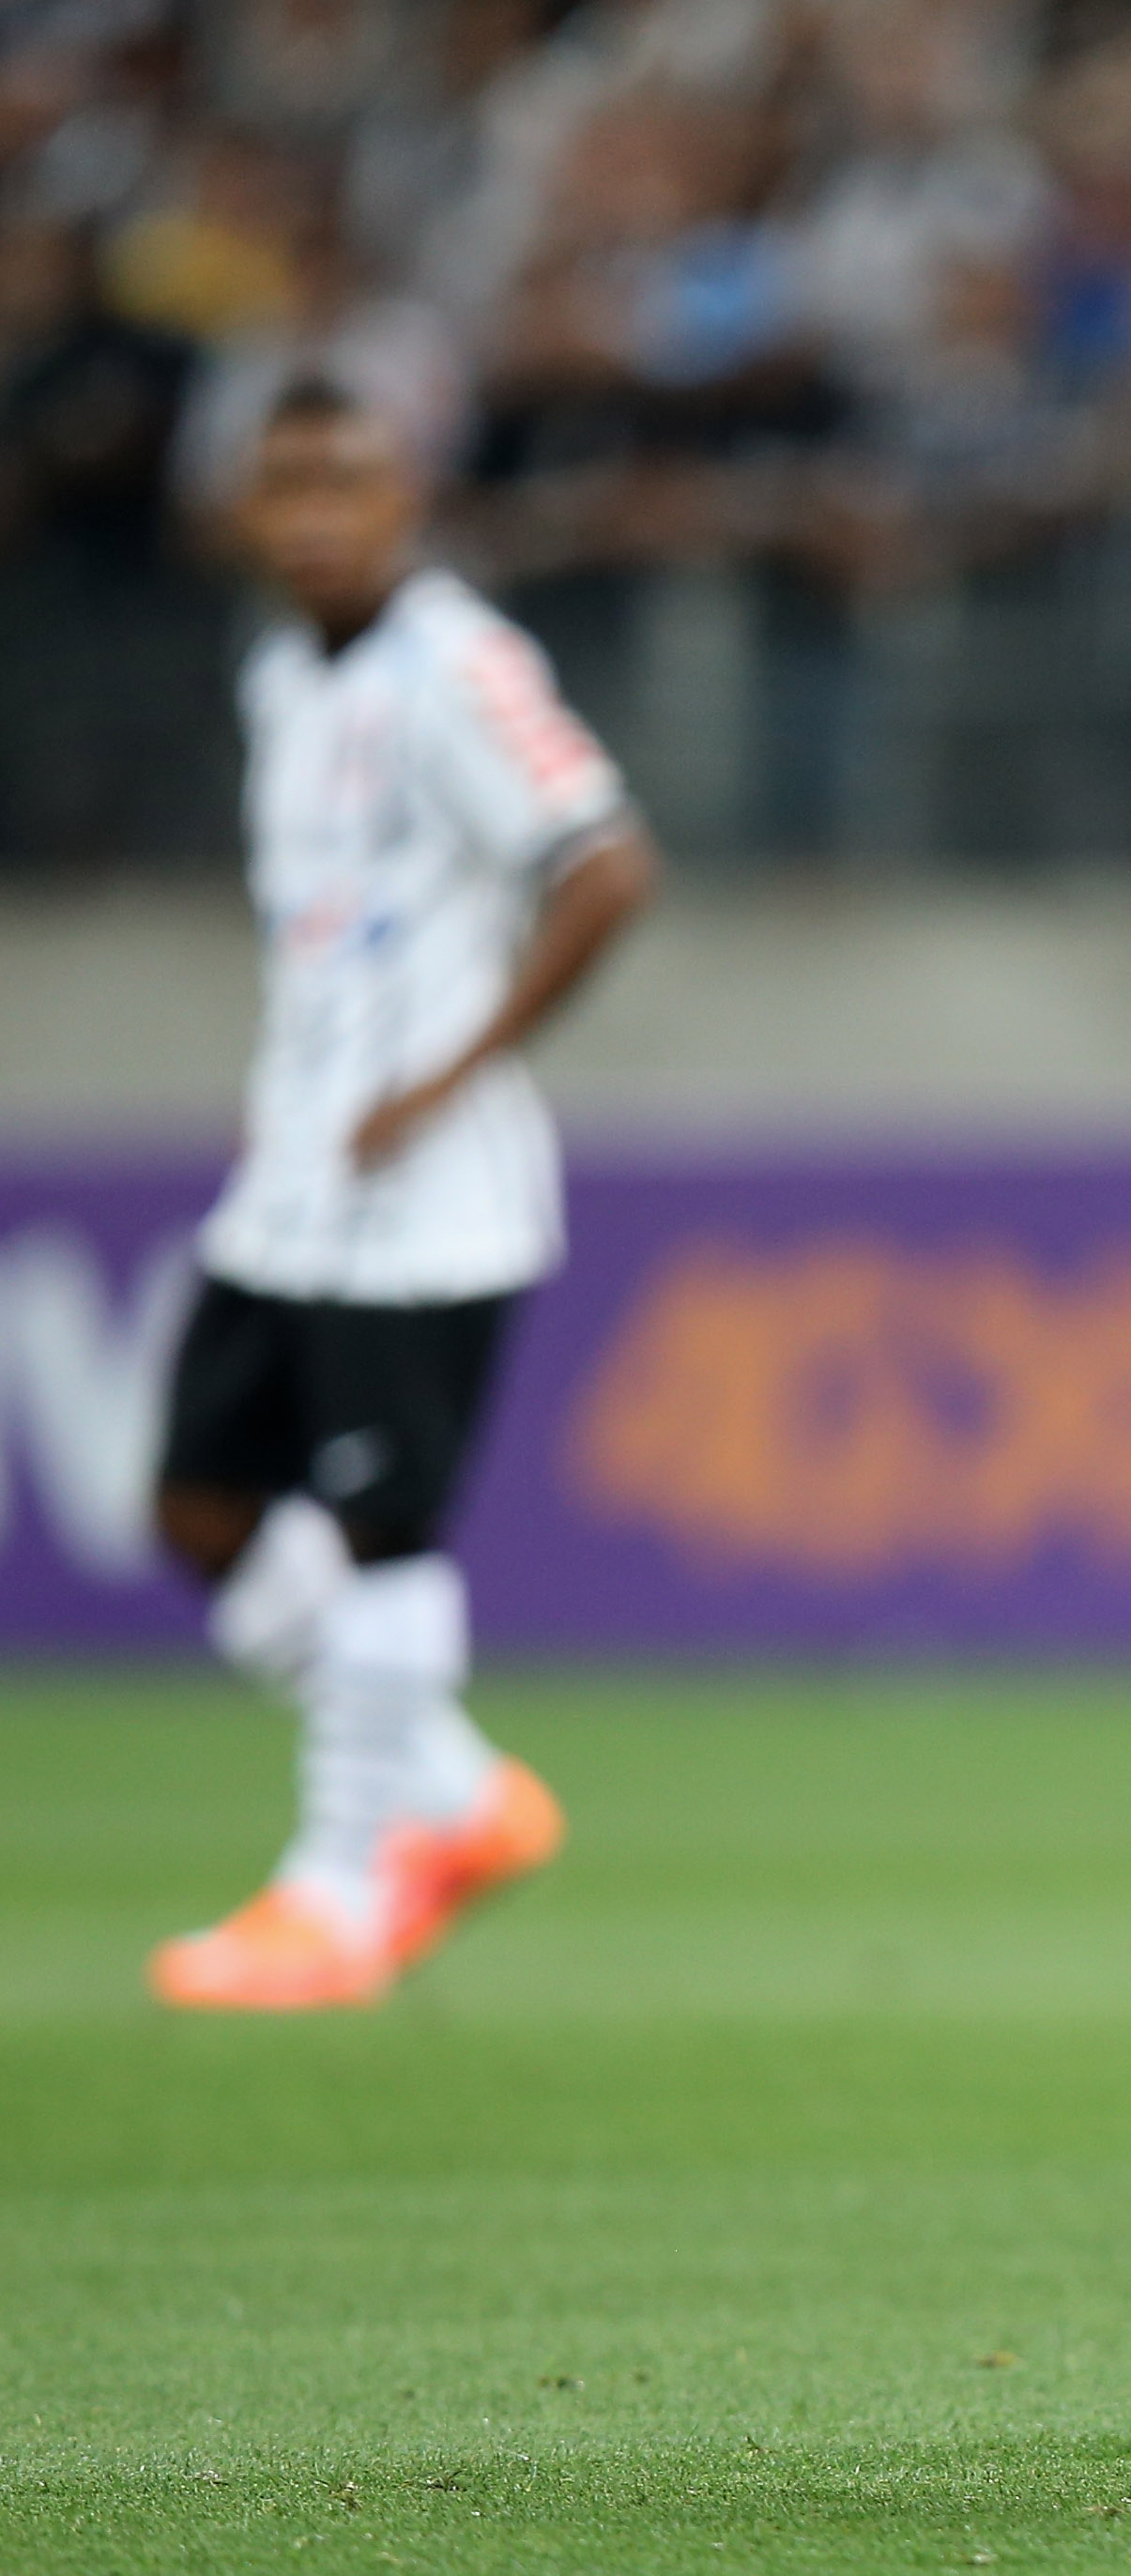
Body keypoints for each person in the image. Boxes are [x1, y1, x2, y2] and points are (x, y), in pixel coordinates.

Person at [145, 376, 661, 2013]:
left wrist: (456, 1068)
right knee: (201, 1506)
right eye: (281, 484)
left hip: (427, 1198)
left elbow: (605, 861)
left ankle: (337, 1890)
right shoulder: (286, 673)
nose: (310, 515)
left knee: (385, 1531)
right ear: (242, 511)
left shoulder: (457, 665)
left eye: (342, 484)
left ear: (406, 502)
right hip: (291, 1178)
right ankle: (446, 1784)